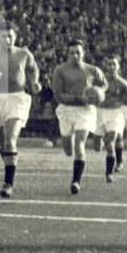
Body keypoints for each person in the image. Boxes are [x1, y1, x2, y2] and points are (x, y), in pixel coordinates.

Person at [0, 23, 41, 199]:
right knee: (2, 143)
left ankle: (8, 183)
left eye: (10, 36)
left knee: (11, 140)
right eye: (3, 36)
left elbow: (33, 69)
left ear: (15, 37)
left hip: (17, 98)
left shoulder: (24, 54)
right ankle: (10, 164)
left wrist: (34, 82)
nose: (7, 40)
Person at [51, 39, 107, 195]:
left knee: (79, 144)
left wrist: (98, 91)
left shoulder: (92, 70)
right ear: (67, 54)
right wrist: (78, 98)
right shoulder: (60, 71)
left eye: (78, 52)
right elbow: (58, 95)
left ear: (84, 53)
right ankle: (69, 151)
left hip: (86, 111)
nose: (75, 56)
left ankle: (75, 181)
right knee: (68, 149)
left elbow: (104, 84)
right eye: (71, 53)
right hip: (67, 109)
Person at [94, 55, 127, 181]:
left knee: (111, 143)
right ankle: (102, 140)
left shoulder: (123, 83)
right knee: (96, 147)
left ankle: (109, 173)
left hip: (115, 113)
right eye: (109, 64)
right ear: (105, 65)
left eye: (114, 64)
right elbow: (89, 93)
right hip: (99, 112)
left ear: (118, 67)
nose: (111, 67)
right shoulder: (98, 81)